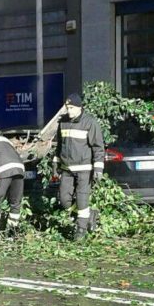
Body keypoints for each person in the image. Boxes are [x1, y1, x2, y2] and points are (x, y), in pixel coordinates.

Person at [52, 93, 105, 240]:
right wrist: (55, 163)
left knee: (82, 200)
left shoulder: (90, 122)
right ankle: (89, 215)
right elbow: (59, 146)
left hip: (84, 168)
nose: (69, 111)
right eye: (67, 108)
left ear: (80, 108)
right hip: (67, 168)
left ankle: (80, 230)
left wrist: (98, 168)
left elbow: (98, 147)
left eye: (72, 108)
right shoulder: (63, 122)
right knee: (64, 199)